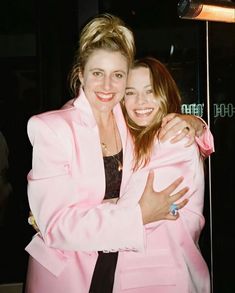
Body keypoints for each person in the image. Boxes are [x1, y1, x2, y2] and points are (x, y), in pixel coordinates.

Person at [25, 14, 213, 293]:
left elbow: (164, 150)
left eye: (118, 76)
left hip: (123, 267)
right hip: (69, 273)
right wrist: (139, 214)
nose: (107, 86)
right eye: (97, 73)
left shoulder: (129, 121)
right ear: (80, 75)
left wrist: (197, 125)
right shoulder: (52, 129)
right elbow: (57, 226)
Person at [109, 57, 213, 292]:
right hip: (150, 272)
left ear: (165, 93)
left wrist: (71, 214)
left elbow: (134, 210)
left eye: (150, 91)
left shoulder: (173, 139)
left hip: (164, 273)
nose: (140, 102)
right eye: (130, 92)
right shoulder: (137, 141)